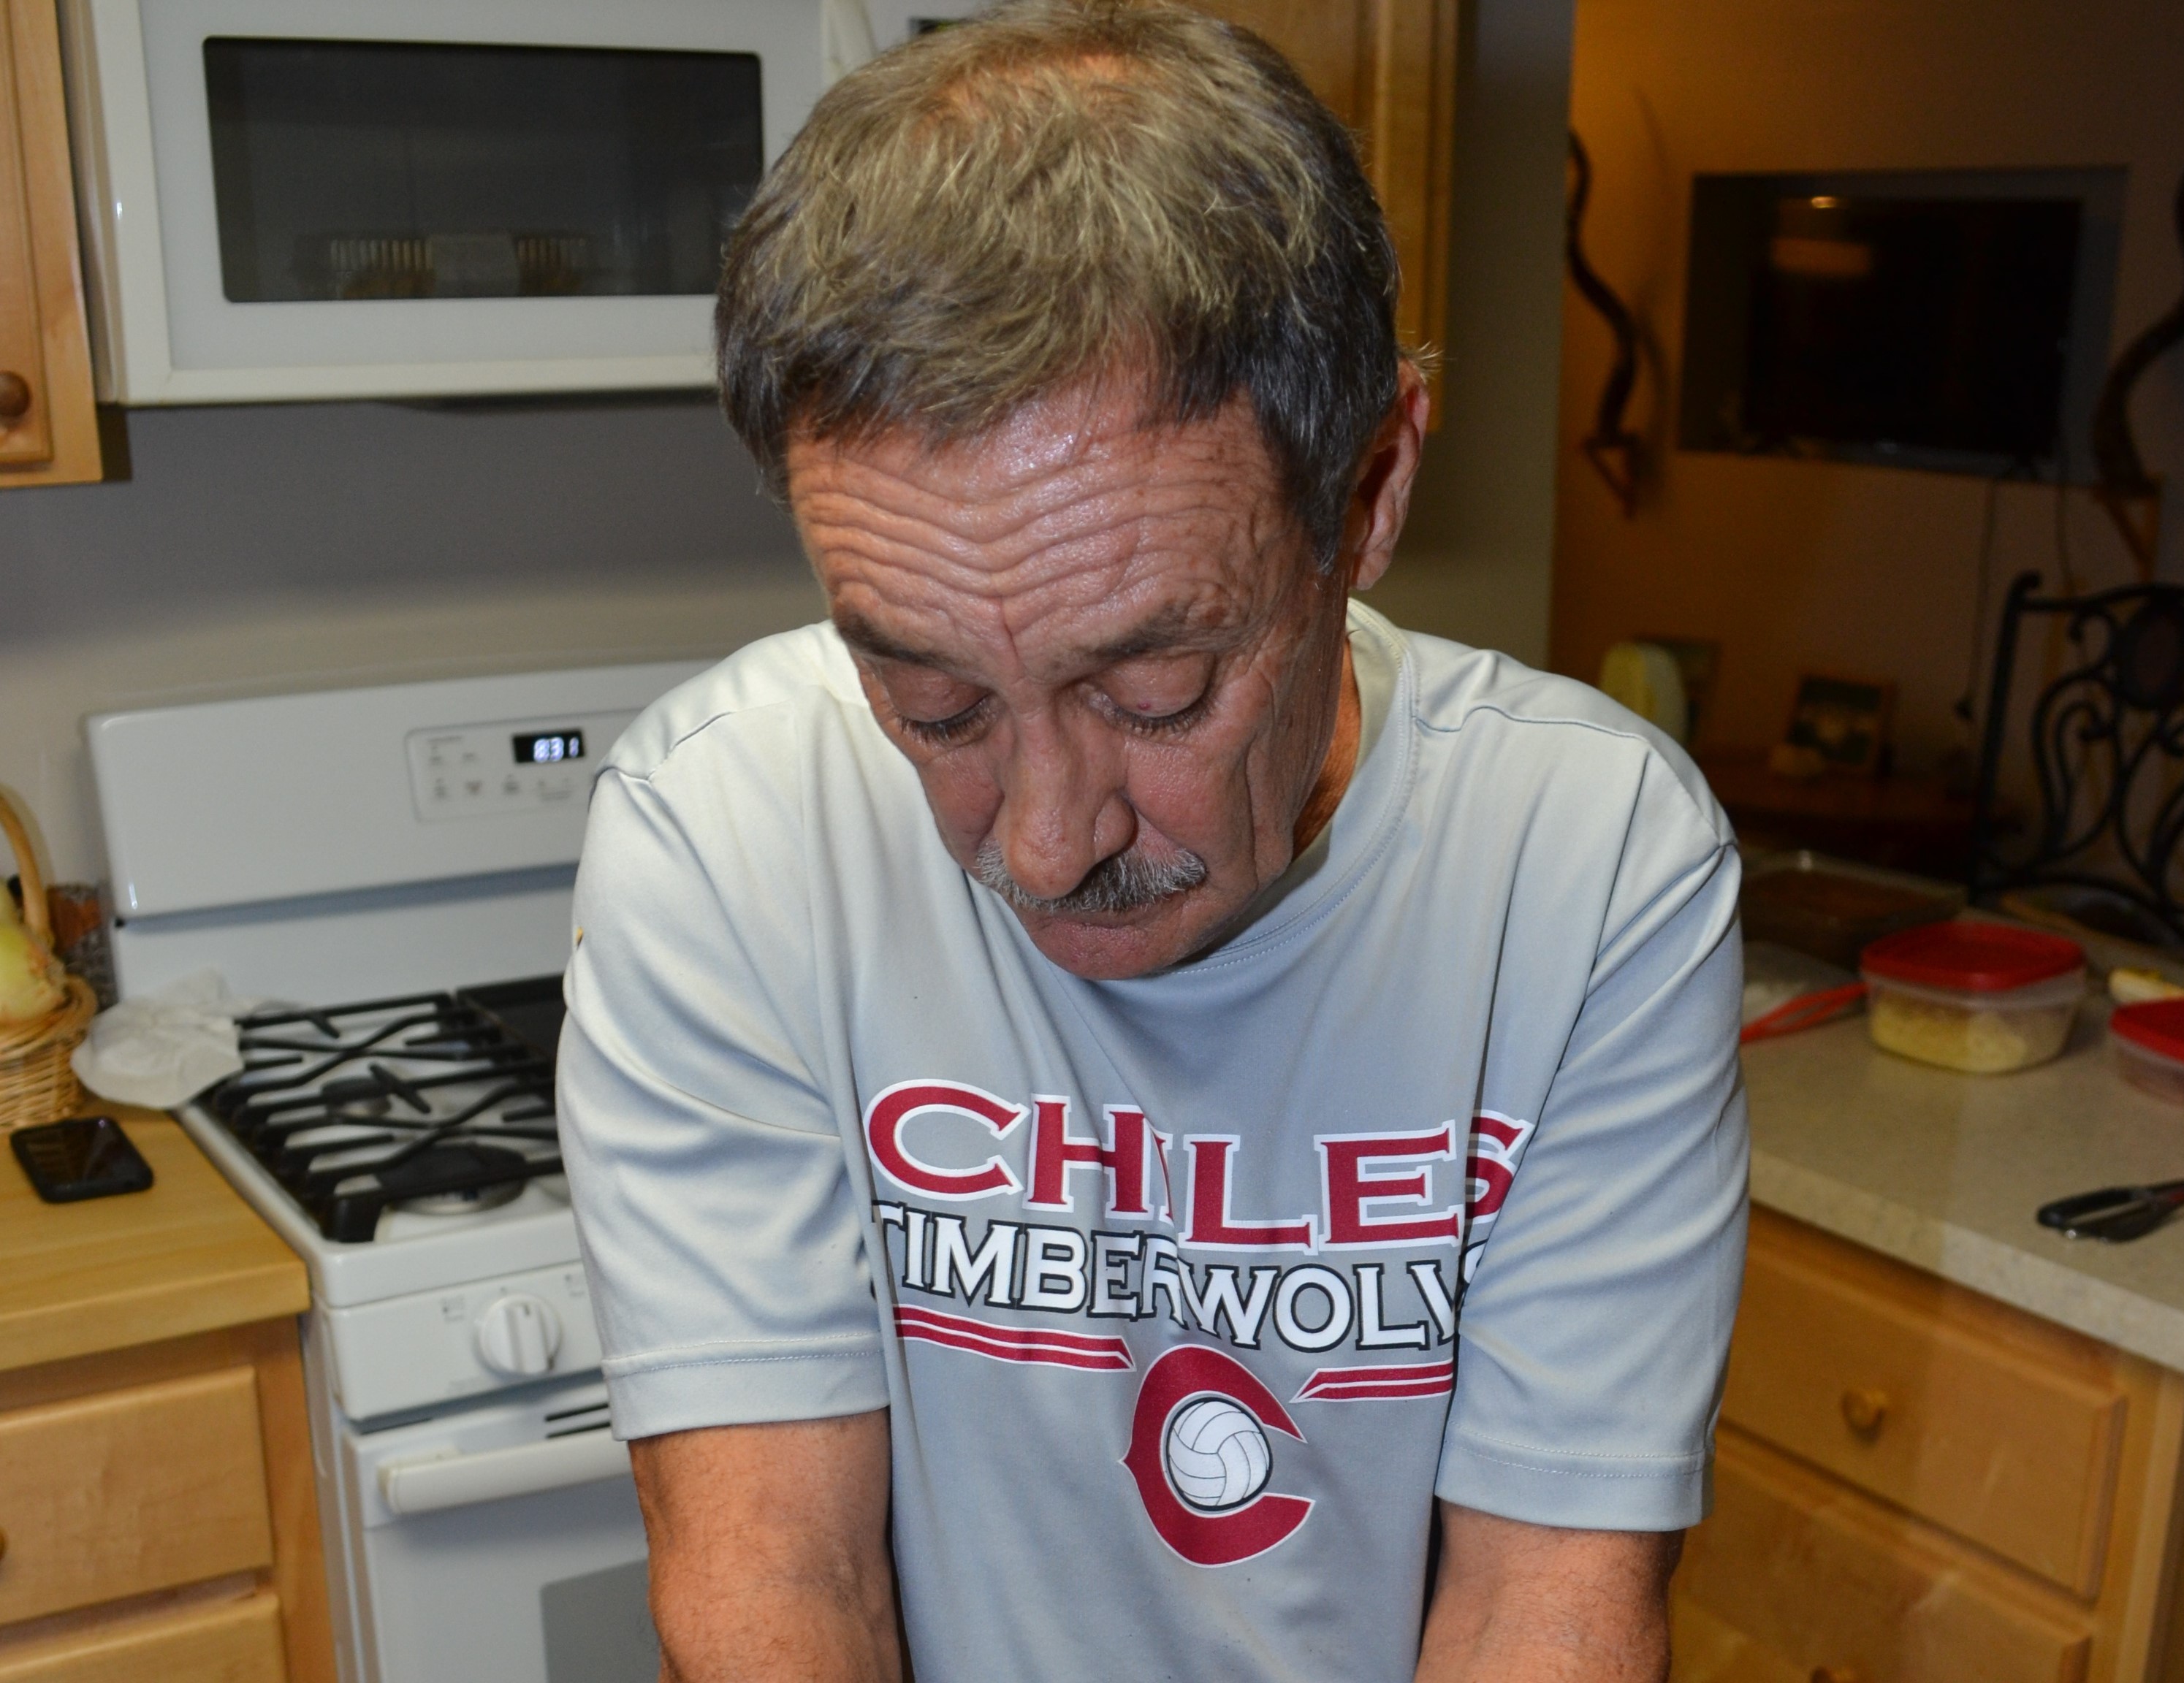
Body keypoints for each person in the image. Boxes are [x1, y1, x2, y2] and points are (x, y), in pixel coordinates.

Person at [555, 3, 1747, 1679]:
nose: (1044, 845)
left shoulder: (1591, 864)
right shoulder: (724, 828)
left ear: (1369, 495)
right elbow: (775, 1571)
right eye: (937, 706)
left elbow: (1546, 1601)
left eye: (1158, 687)